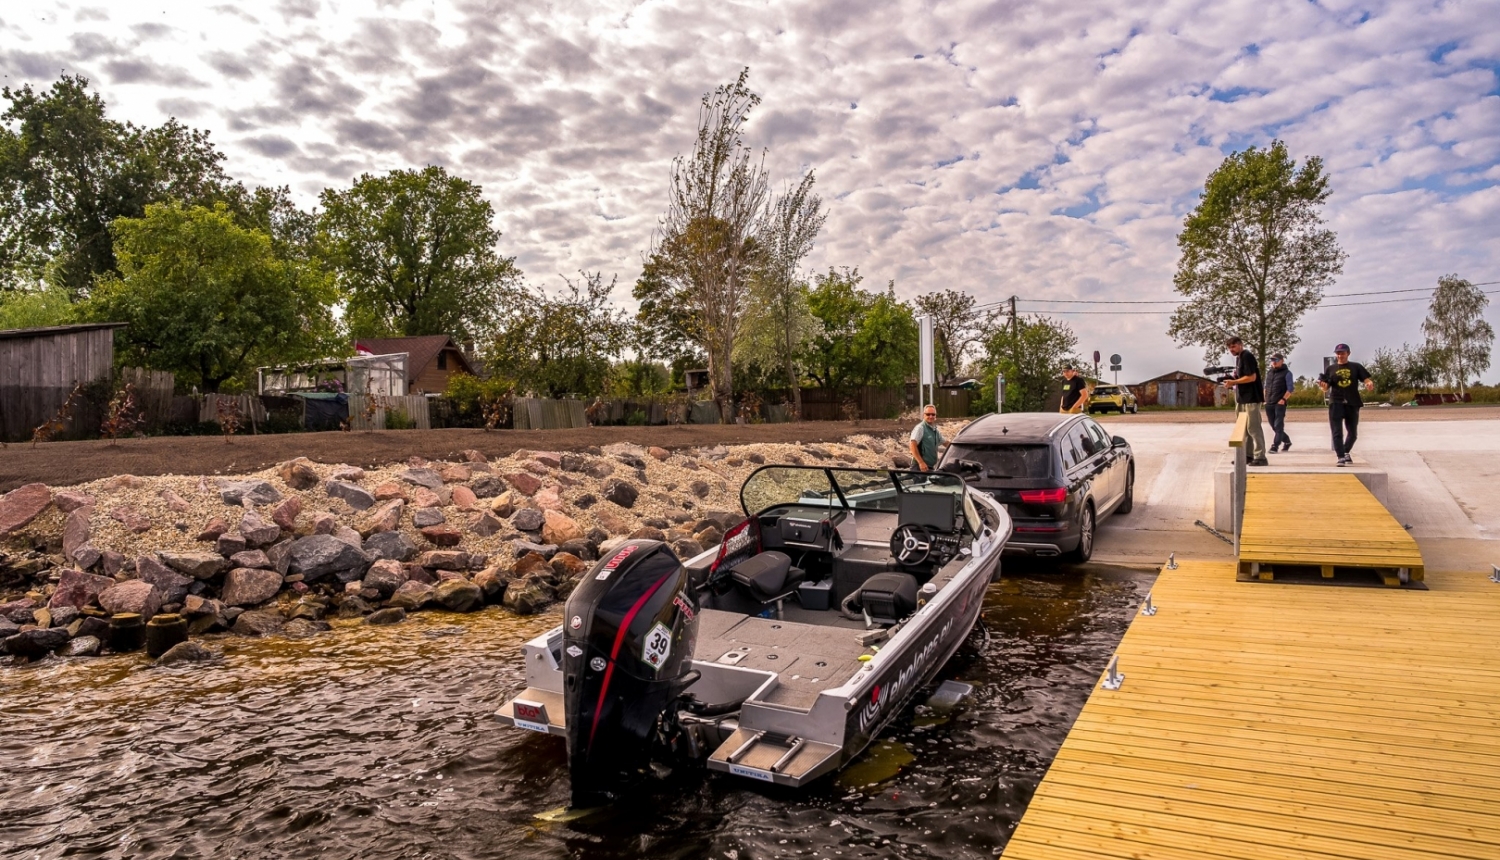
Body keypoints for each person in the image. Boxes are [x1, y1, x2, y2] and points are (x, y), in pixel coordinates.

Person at [1317, 343, 1375, 466]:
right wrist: (1323, 386)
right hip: (1336, 402)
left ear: (1348, 353)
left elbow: (1366, 379)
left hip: (1352, 402)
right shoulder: (1331, 369)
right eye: (1338, 353)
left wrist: (1369, 384)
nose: (1340, 355)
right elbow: (1326, 387)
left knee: (1353, 433)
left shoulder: (1356, 367)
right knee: (1337, 431)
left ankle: (1346, 450)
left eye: (1342, 353)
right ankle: (1341, 456)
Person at [1221, 336, 1268, 466]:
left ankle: (1260, 456)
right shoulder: (1239, 358)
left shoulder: (1247, 356)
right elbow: (1242, 377)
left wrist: (1234, 382)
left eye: (1234, 346)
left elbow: (1252, 377)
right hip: (1241, 398)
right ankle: (1247, 455)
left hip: (1251, 398)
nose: (1231, 349)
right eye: (1229, 347)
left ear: (1240, 345)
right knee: (1243, 429)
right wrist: (1232, 379)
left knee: (1253, 427)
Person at [1264, 353, 1293, 452]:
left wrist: (1283, 399)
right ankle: (1287, 441)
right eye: (1272, 360)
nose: (1274, 362)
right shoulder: (1269, 373)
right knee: (1273, 426)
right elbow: (1265, 387)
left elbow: (1290, 389)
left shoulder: (1287, 373)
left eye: (1276, 360)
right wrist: (1264, 399)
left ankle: (1275, 446)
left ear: (1282, 361)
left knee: (1278, 425)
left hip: (1279, 403)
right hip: (1269, 402)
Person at [908, 405, 942, 472]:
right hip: (919, 467)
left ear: (935, 416)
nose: (931, 416)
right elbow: (912, 445)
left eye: (933, 414)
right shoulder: (920, 428)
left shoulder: (934, 430)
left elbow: (946, 442)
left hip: (929, 467)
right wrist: (921, 463)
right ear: (924, 415)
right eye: (928, 414)